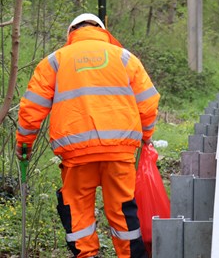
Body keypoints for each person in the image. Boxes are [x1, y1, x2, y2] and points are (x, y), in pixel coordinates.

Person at [15, 13, 160, 257]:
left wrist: (24, 144)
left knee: (78, 210)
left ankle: (87, 255)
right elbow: (148, 102)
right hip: (120, 152)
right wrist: (146, 136)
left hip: (76, 155)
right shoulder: (125, 58)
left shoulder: (56, 61)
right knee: (122, 209)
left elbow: (32, 108)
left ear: (70, 33)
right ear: (102, 30)